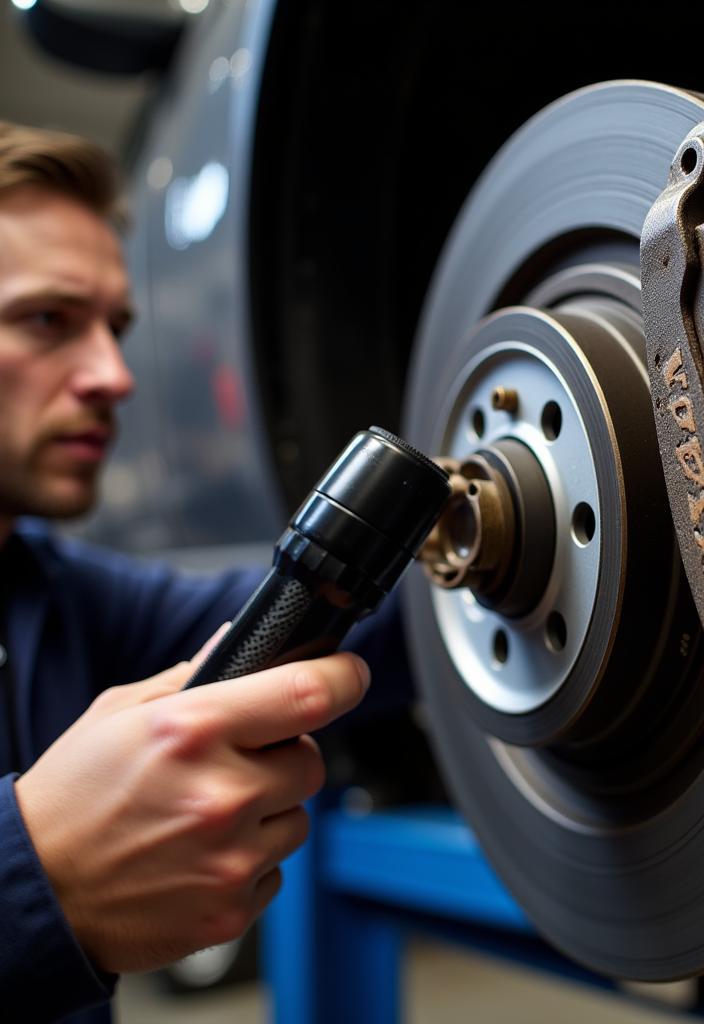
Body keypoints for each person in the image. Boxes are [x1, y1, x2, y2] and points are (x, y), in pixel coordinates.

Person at [0, 121, 408, 1024]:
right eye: (45, 321)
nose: (114, 375)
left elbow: (346, 625)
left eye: (115, 328)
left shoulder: (59, 595)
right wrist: (37, 878)